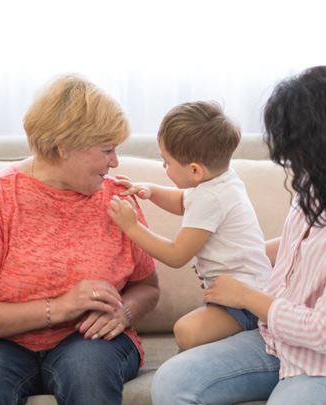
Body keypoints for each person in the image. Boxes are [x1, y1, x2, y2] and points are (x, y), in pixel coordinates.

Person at [151, 65, 326, 405]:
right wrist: (246, 254)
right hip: (279, 340)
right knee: (173, 381)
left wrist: (245, 296)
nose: (293, 161)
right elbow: (303, 246)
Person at [0, 74, 160, 405]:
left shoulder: (116, 198)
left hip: (88, 340)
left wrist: (124, 313)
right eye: (107, 150)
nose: (114, 162)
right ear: (64, 148)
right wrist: (59, 308)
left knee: (89, 374)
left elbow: (148, 287)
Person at [107, 101, 271, 351]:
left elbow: (176, 255)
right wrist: (149, 191)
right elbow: (183, 202)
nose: (164, 168)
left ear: (195, 170)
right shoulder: (221, 182)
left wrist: (132, 228)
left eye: (166, 162)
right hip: (240, 292)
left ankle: (256, 335)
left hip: (244, 300)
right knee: (192, 333)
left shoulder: (210, 198)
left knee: (186, 332)